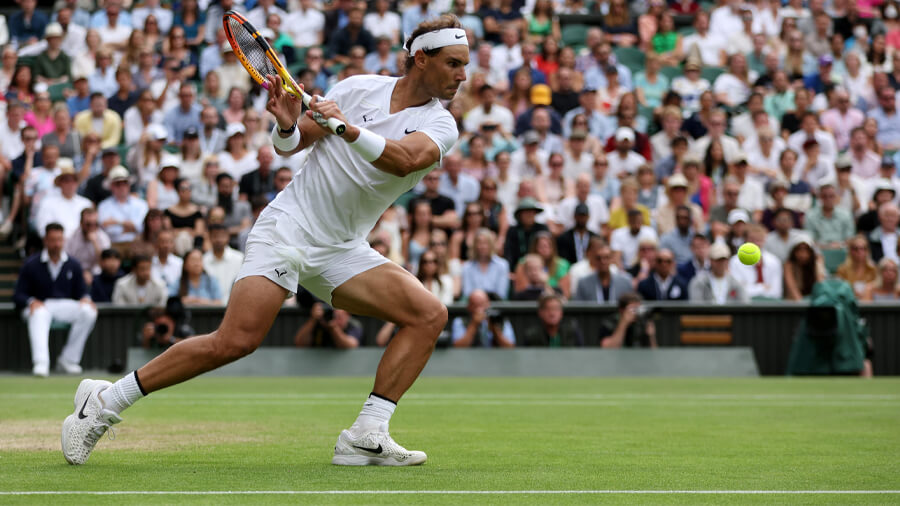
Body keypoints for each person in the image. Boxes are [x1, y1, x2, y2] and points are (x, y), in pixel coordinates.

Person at [63, 16, 468, 467]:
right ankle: (105, 402)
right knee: (235, 341)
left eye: (464, 65)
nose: (462, 75)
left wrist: (345, 128)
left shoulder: (440, 123)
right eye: (453, 63)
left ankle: (366, 433)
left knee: (428, 315)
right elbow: (293, 144)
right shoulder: (357, 89)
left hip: (342, 247)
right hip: (288, 229)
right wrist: (287, 125)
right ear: (421, 59)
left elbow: (404, 159)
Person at [13, 223, 97, 377]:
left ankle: (68, 360)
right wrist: (31, 301)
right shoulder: (31, 264)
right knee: (39, 313)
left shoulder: (74, 264)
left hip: (63, 306)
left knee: (89, 312)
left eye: (59, 239)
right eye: (52, 240)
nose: (56, 244)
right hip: (38, 307)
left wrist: (86, 299)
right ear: (45, 240)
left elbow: (82, 292)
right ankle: (41, 363)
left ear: (63, 240)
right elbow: (18, 295)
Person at [728, 225, 784, 300]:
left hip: (769, 306)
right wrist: (762, 287)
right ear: (746, 239)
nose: (756, 243)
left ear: (764, 240)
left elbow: (776, 293)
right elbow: (738, 292)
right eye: (752, 239)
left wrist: (751, 288)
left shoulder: (774, 261)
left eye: (759, 240)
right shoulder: (735, 262)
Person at [451, 289, 516, 347]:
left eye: (482, 304)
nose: (480, 309)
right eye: (475, 305)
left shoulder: (500, 319)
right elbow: (458, 347)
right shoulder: (460, 321)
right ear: (469, 307)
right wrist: (474, 325)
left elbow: (510, 347)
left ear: (488, 304)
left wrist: (495, 330)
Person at [202, 224, 244, 303]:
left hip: (235, 305)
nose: (219, 239)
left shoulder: (239, 258)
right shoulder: (203, 260)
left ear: (228, 237)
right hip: (210, 308)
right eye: (215, 236)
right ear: (209, 237)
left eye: (222, 236)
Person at [294, 302, 363, 349]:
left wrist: (334, 328)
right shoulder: (319, 322)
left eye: (338, 317)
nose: (333, 317)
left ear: (347, 314)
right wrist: (313, 320)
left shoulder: (353, 324)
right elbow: (300, 343)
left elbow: (351, 346)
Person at [836, 234, 879, 299]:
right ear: (850, 251)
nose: (860, 251)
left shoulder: (873, 269)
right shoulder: (842, 270)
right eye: (856, 249)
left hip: (869, 303)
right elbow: (839, 290)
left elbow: (878, 289)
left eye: (863, 248)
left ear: (867, 251)